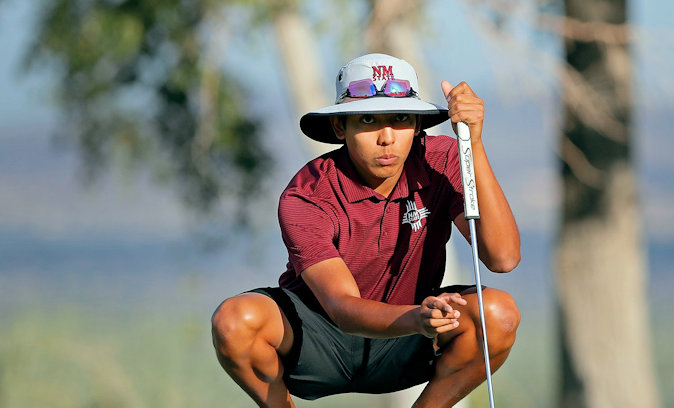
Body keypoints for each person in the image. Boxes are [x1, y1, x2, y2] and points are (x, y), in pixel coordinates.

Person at [211, 53, 521, 408]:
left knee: (498, 313)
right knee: (235, 321)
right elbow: (342, 308)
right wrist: (418, 317)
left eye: (401, 118)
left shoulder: (442, 160)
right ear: (341, 128)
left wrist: (473, 144)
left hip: (408, 337)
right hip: (320, 339)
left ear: (418, 124)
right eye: (368, 119)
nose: (387, 137)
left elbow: (504, 257)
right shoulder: (307, 193)